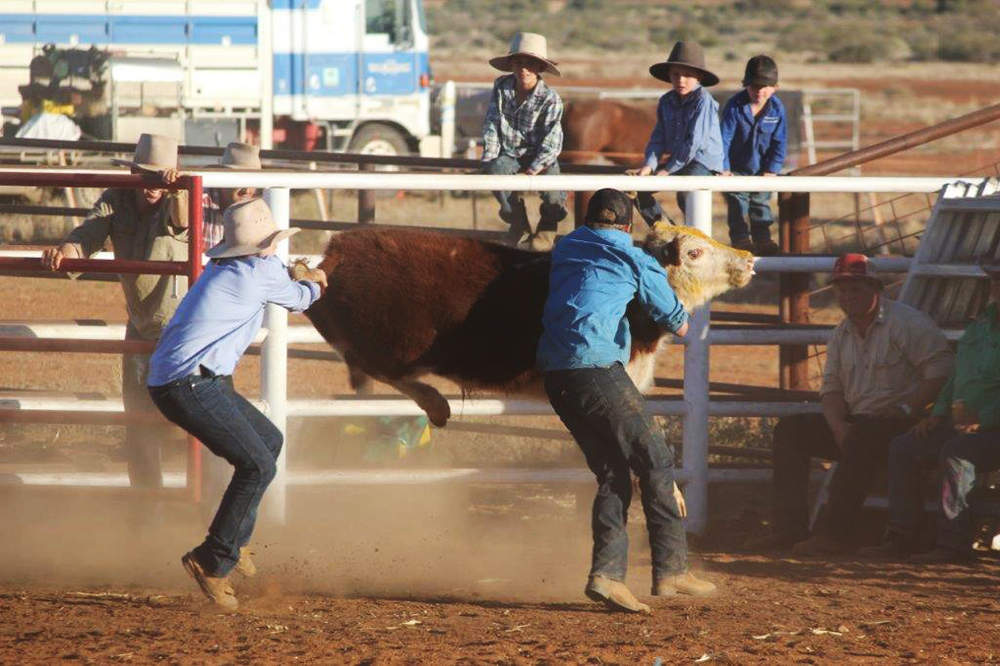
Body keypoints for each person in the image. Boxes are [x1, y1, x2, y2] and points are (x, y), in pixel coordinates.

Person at [538, 188, 715, 614]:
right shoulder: (635, 259)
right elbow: (678, 321)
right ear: (627, 226)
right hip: (596, 367)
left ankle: (607, 576)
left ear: (588, 219)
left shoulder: (567, 248)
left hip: (555, 373)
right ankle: (671, 570)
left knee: (613, 471)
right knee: (654, 456)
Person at [146, 198, 326, 611]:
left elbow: (275, 281)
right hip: (190, 383)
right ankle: (212, 560)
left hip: (186, 379)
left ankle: (233, 540)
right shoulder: (260, 271)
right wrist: (317, 279)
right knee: (258, 464)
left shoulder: (230, 268)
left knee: (269, 441)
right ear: (267, 244)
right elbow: (301, 298)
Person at [744, 253, 953, 555]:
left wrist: (908, 408)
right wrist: (838, 425)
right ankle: (787, 528)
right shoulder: (842, 333)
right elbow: (831, 389)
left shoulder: (906, 323)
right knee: (790, 431)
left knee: (865, 434)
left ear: (875, 289)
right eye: (842, 290)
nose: (848, 296)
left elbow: (941, 370)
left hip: (902, 422)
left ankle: (834, 533)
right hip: (859, 423)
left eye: (856, 289)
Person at [41, 133, 189, 489]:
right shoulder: (115, 199)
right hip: (141, 322)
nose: (152, 186)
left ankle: (200, 500)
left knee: (191, 420)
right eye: (146, 176)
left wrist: (178, 189)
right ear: (134, 172)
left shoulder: (177, 201)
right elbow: (87, 235)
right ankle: (146, 501)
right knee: (138, 420)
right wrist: (65, 253)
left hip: (181, 328)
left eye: (159, 177)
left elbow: (183, 221)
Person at [866, 257, 1000, 562]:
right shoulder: (980, 327)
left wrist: (983, 418)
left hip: (991, 429)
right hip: (967, 425)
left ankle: (953, 544)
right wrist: (937, 413)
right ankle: (902, 536)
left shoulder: (981, 326)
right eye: (995, 280)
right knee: (905, 446)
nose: (998, 286)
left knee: (957, 449)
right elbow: (956, 375)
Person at [481, 31, 567, 252]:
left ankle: (547, 230)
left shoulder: (551, 98)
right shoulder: (501, 87)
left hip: (540, 155)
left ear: (540, 68)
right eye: (518, 62)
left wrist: (533, 170)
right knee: (495, 171)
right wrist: (489, 159)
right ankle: (518, 223)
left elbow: (552, 143)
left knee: (552, 191)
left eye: (530, 63)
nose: (523, 68)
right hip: (509, 153)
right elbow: (492, 123)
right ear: (511, 65)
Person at [631, 41, 724, 227]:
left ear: (698, 77)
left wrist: (667, 169)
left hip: (702, 162)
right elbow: (658, 138)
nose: (681, 80)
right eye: (676, 74)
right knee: (636, 190)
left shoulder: (703, 100)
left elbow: (695, 142)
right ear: (669, 76)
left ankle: (695, 239)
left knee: (687, 193)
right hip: (679, 161)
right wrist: (649, 166)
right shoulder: (666, 100)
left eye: (688, 75)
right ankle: (667, 230)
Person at [720, 55, 787, 256]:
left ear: (775, 87)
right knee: (737, 202)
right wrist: (723, 168)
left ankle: (763, 240)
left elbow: (780, 142)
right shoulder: (734, 106)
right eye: (754, 86)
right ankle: (741, 240)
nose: (759, 91)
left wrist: (772, 170)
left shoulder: (777, 109)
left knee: (760, 202)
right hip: (736, 168)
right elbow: (724, 138)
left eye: (765, 86)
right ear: (745, 86)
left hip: (762, 170)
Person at [202, 141, 263, 254]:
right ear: (223, 178)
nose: (247, 190)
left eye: (253, 181)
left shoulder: (258, 210)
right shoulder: (200, 201)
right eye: (241, 180)